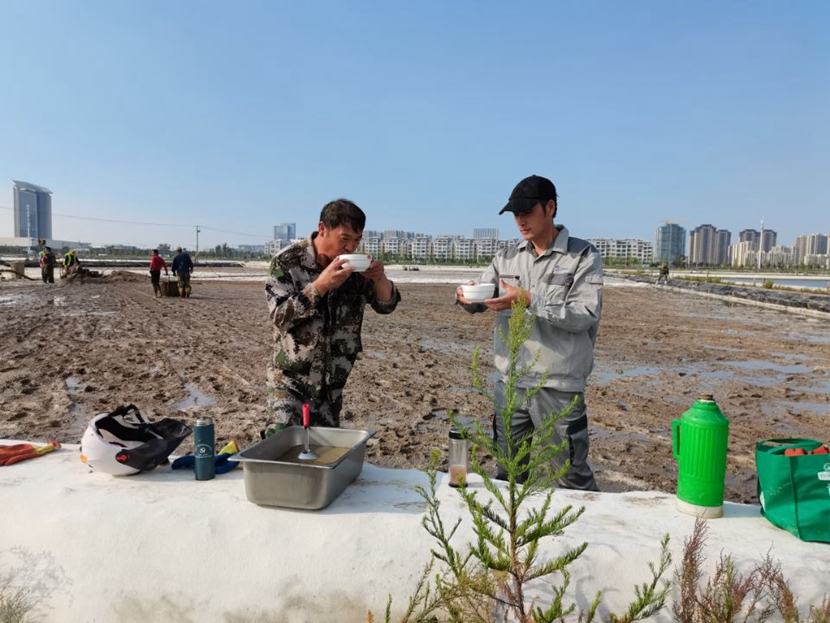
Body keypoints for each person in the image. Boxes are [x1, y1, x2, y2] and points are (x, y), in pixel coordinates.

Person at [456, 175, 603, 491]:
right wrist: (466, 297)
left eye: (527, 212)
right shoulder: (507, 256)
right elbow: (483, 295)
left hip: (558, 384)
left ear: (550, 208)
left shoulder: (582, 256)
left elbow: (584, 315)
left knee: (571, 476)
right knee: (509, 473)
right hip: (511, 382)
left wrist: (529, 300)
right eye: (515, 214)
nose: (520, 220)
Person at [264, 198, 401, 434]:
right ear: (322, 229)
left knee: (322, 449)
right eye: (344, 238)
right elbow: (280, 317)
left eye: (357, 240)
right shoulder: (288, 262)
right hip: (290, 380)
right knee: (281, 439)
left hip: (331, 388)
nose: (350, 247)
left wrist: (380, 279)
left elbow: (386, 305)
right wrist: (320, 286)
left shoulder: (356, 269)